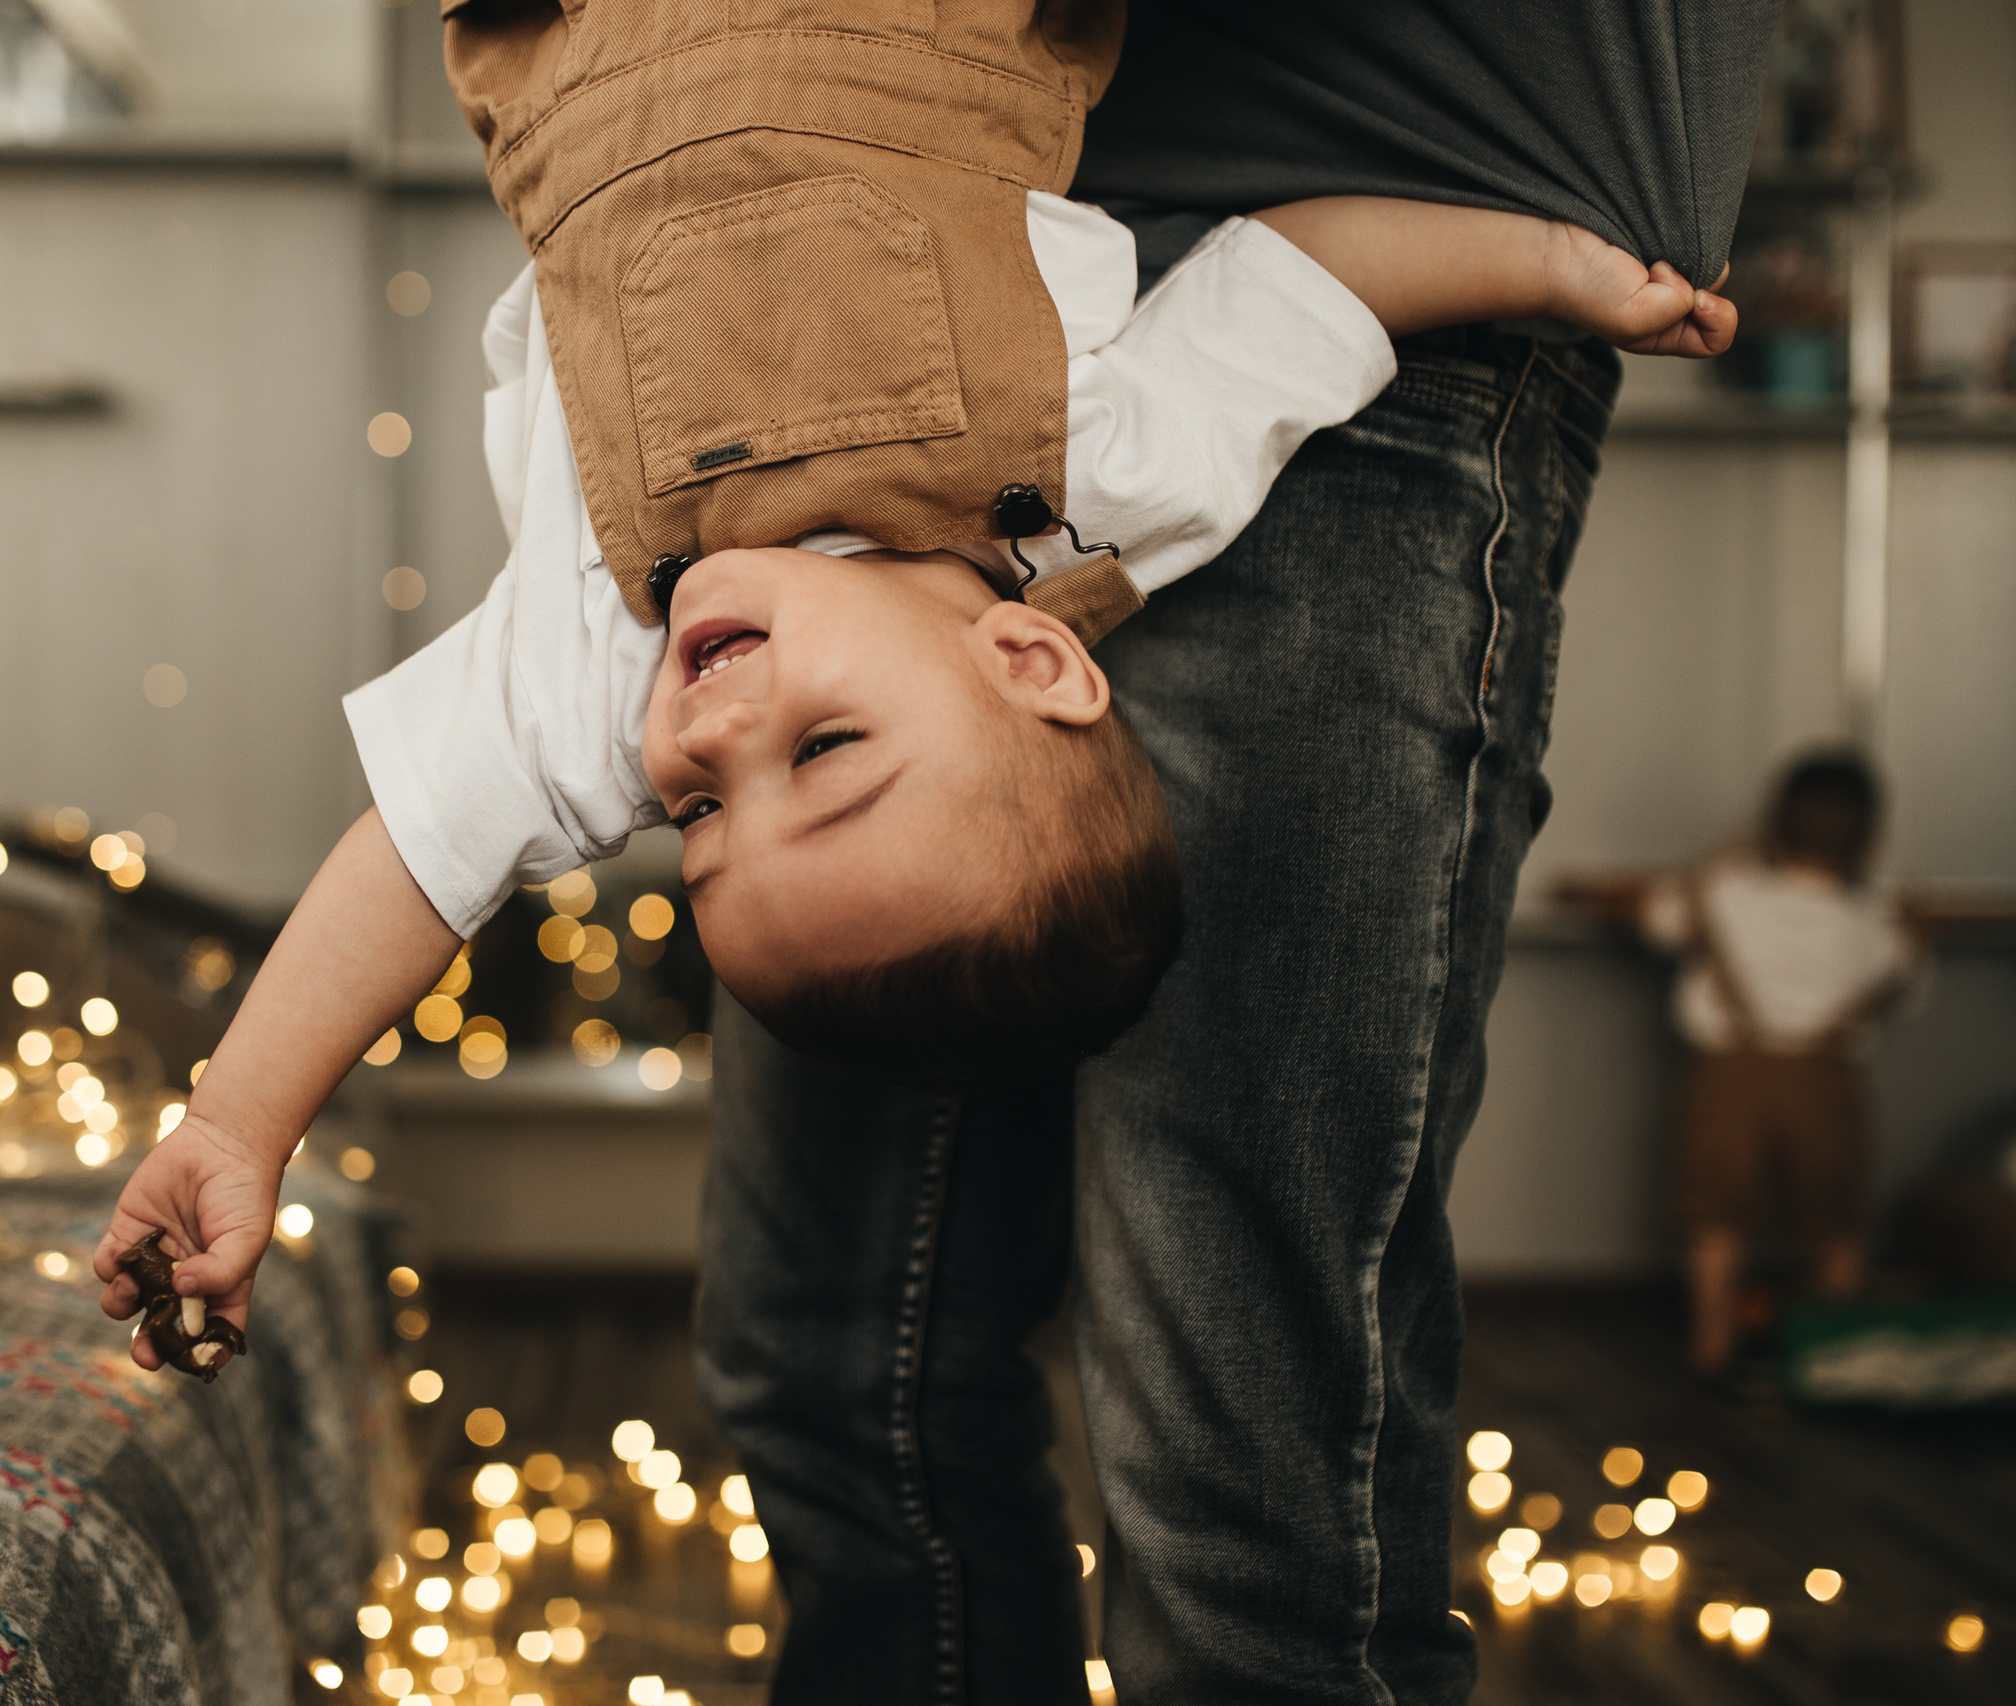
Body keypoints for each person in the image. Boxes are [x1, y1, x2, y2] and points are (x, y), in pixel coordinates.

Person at [90, 0, 1739, 1378]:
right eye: (827, 748)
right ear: (1029, 658)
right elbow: (1304, 283)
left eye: (697, 811)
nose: (714, 734)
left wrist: (237, 1128)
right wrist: (1547, 264)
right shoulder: (1109, 486)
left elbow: (415, 862)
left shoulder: (602, 653)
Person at [691, 5, 1784, 1705]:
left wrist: (1556, 266)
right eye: (696, 815)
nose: (695, 760)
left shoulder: (1174, 415)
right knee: (830, 1365)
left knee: (1237, 1446)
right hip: (904, 314)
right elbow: (434, 832)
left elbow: (1302, 277)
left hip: (1382, 297)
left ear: (1035, 662)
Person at [1615, 752, 1921, 1374]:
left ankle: (1713, 1338)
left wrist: (1727, 853)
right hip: (1827, 1081)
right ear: (1870, 839)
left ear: (1773, 825)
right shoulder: (1874, 920)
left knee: (1715, 1210)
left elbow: (1656, 916)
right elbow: (1909, 987)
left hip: (1729, 1075)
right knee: (1835, 1217)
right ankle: (1836, 1348)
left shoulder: (1728, 893)